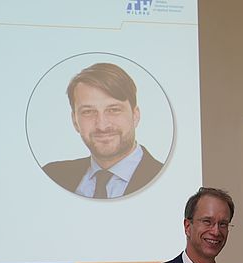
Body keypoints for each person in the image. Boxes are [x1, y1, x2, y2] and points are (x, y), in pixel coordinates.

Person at [43, 62, 163, 198]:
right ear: (75, 120)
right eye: (88, 112)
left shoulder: (166, 177)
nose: (102, 126)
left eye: (113, 110)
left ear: (135, 115)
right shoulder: (52, 176)